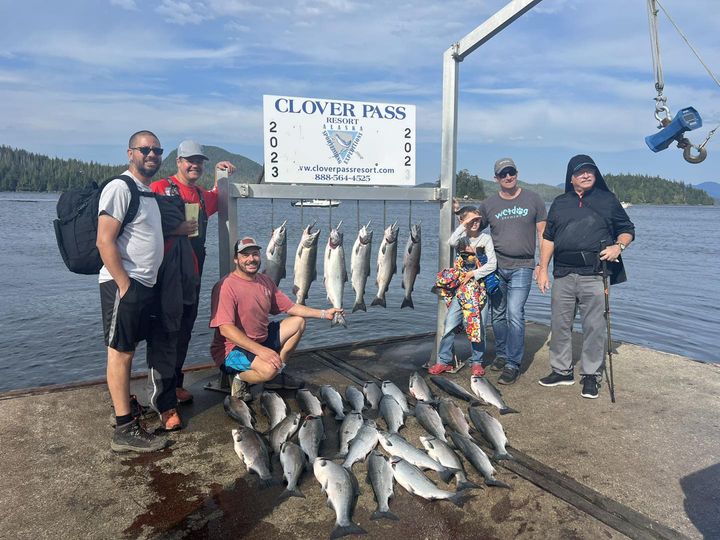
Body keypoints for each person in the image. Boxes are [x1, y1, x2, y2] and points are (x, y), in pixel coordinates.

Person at [536, 154, 635, 399]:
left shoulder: (607, 199)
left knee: (594, 327)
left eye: (590, 170)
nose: (587, 175)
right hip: (563, 274)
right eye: (581, 172)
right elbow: (548, 237)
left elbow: (627, 230)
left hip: (594, 274)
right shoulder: (560, 202)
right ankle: (561, 371)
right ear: (571, 177)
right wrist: (542, 269)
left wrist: (618, 248)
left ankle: (591, 375)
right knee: (560, 325)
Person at [96, 130, 166, 453]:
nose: (151, 154)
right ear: (130, 153)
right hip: (124, 284)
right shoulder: (120, 187)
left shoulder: (145, 191)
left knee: (128, 351)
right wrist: (124, 283)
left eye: (157, 150)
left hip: (141, 284)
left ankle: (126, 409)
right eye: (145, 149)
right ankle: (124, 429)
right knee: (120, 353)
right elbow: (104, 240)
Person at [150, 140, 235, 404]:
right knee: (164, 332)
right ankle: (161, 394)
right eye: (189, 160)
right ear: (178, 162)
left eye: (199, 161)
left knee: (184, 330)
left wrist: (225, 174)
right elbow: (141, 226)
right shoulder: (160, 188)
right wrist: (174, 230)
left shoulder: (200, 195)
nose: (194, 165)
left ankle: (175, 383)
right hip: (165, 277)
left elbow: (219, 198)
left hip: (191, 277)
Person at [209, 236, 344, 401]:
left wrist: (324, 313)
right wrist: (262, 351)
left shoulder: (265, 281)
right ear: (236, 259)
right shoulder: (226, 286)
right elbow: (225, 329)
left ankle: (277, 375)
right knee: (268, 369)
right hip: (231, 351)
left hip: (260, 340)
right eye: (245, 255)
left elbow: (290, 307)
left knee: (298, 321)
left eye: (255, 254)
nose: (251, 259)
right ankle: (240, 379)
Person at [477, 158, 547, 385]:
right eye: (503, 173)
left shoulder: (533, 199)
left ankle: (512, 364)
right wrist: (458, 213)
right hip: (496, 266)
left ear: (517, 173)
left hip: (523, 267)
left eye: (512, 172)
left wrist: (543, 266)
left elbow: (543, 235)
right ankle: (501, 353)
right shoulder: (488, 204)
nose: (508, 176)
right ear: (496, 178)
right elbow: (474, 228)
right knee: (497, 313)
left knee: (515, 313)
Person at [430, 206, 497, 377]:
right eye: (471, 220)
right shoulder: (462, 239)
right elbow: (451, 241)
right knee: (449, 326)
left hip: (479, 290)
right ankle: (443, 361)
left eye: (477, 220)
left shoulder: (485, 239)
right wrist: (464, 224)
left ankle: (477, 362)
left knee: (478, 327)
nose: (475, 223)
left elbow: (492, 264)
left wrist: (473, 273)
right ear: (463, 222)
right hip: (461, 292)